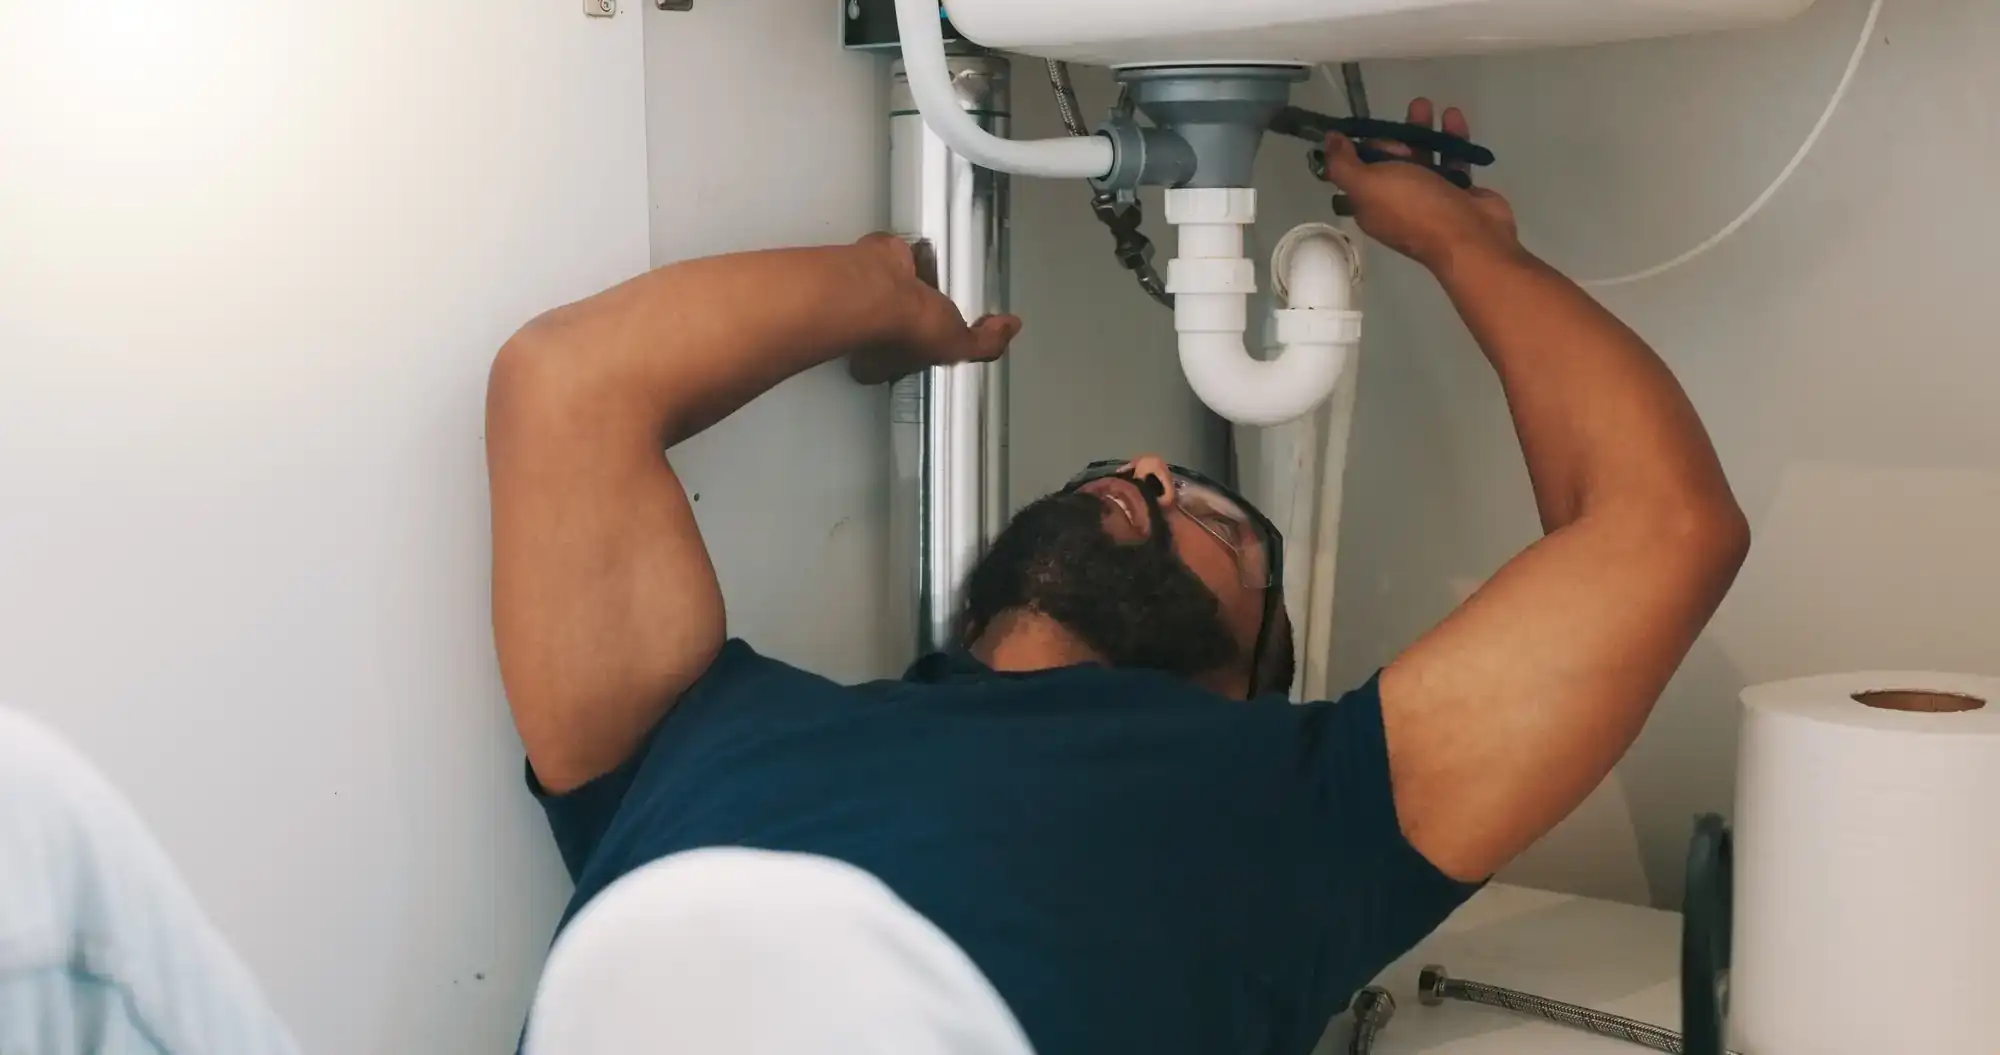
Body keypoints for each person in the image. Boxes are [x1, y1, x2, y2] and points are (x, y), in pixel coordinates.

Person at [0, 100, 1748, 1055]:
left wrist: (1455, 242)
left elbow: (1663, 528)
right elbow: (566, 387)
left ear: (1260, 662)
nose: (1151, 474)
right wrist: (875, 295)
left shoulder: (1316, 805)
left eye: (1224, 527)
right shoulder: (700, 730)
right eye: (1126, 470)